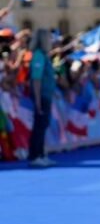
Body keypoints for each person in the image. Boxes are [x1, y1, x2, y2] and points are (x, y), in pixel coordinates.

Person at [28, 29, 56, 167]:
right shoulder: (39, 55)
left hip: (46, 95)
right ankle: (35, 156)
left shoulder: (44, 56)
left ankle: (41, 153)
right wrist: (38, 100)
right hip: (41, 96)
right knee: (39, 125)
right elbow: (36, 79)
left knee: (43, 125)